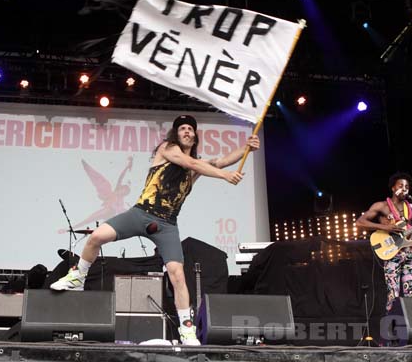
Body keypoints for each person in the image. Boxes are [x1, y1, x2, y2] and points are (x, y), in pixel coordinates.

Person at [50, 115, 260, 345]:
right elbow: (193, 164)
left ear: (195, 136)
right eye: (183, 129)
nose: (188, 132)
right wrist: (225, 176)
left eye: (191, 129)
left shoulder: (197, 166)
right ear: (176, 134)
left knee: (177, 274)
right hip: (141, 213)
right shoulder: (168, 149)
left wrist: (246, 148)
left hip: (167, 224)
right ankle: (77, 277)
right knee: (96, 237)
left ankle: (187, 331)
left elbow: (220, 161)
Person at [356, 172, 412, 312]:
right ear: (393, 188)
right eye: (401, 186)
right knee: (393, 293)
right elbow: (360, 223)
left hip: (410, 254)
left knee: (411, 293)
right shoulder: (381, 206)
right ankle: (392, 326)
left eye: (407, 187)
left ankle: (408, 328)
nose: (404, 189)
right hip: (392, 253)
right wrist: (385, 227)